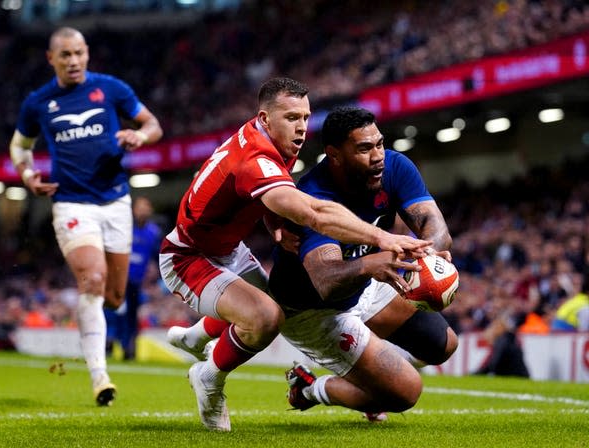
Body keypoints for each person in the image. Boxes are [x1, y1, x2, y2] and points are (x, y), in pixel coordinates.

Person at [159, 78, 431, 431]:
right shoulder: (255, 158)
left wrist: (274, 225)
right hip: (188, 257)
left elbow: (261, 194)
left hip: (229, 249)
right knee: (266, 318)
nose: (302, 127)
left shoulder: (273, 138)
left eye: (305, 116)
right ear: (265, 118)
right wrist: (382, 237)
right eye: (292, 117)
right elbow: (314, 213)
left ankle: (196, 336)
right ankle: (208, 377)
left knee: (275, 310)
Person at [268, 106, 459, 419]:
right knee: (405, 393)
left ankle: (371, 377)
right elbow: (327, 282)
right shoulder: (313, 198)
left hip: (365, 284)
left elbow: (436, 227)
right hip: (314, 311)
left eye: (380, 143)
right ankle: (309, 389)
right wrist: (373, 264)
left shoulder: (394, 166)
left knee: (443, 345)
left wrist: (427, 253)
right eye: (364, 148)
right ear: (335, 155)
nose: (378, 156)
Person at [9, 27, 163, 406]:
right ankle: (100, 377)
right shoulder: (38, 103)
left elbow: (152, 124)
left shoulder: (111, 89)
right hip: (71, 203)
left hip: (115, 203)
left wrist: (139, 138)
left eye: (78, 53)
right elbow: (19, 145)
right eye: (65, 55)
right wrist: (27, 174)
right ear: (52, 59)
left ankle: (98, 338)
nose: (73, 61)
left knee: (113, 296)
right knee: (92, 280)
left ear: (87, 53)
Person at [105, 196, 162, 360]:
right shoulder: (124, 228)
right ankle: (108, 342)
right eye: (140, 208)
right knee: (113, 311)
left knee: (131, 315)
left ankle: (128, 348)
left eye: (146, 208)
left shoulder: (153, 232)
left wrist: (157, 276)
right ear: (133, 210)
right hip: (118, 278)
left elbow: (158, 255)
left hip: (136, 282)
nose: (143, 211)